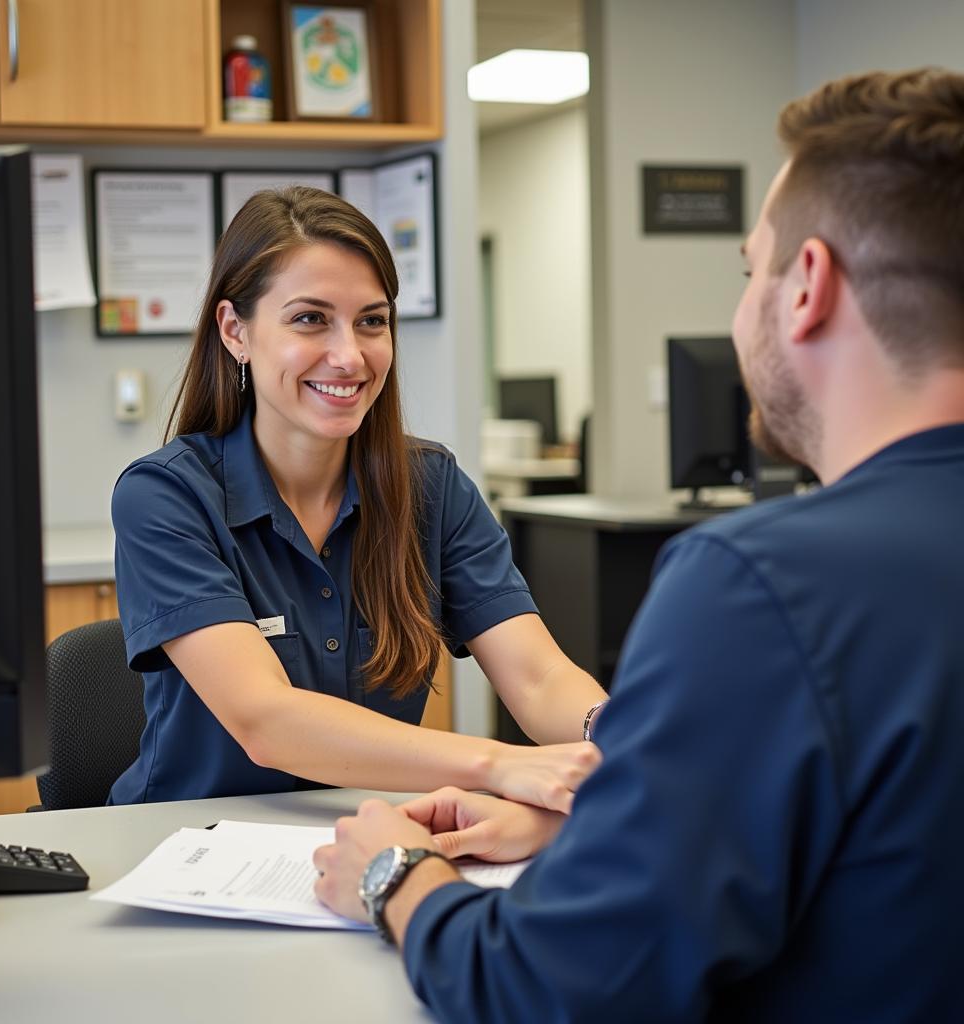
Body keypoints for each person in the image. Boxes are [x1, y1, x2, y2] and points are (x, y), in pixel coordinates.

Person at [313, 67, 964, 1021]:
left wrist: (395, 879)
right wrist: (613, 815)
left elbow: (547, 991)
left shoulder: (761, 585)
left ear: (808, 288)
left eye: (752, 272)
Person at [109, 185, 606, 809]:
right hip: (188, 848)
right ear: (236, 330)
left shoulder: (432, 486)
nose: (349, 356)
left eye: (372, 321)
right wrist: (497, 765)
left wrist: (609, 735)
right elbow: (268, 721)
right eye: (310, 319)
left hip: (367, 834)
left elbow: (538, 677)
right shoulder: (167, 496)